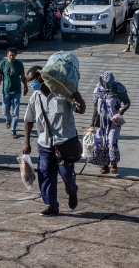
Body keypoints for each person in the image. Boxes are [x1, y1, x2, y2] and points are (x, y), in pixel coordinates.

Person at [22, 66, 86, 216]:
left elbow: (80, 109)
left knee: (66, 175)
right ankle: (52, 205)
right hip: (45, 144)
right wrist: (26, 141)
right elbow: (28, 120)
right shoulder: (35, 97)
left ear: (41, 77)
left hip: (65, 144)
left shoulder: (62, 93)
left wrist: (80, 99)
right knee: (45, 174)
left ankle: (72, 192)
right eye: (29, 81)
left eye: (32, 80)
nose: (31, 83)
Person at [92, 72, 130, 174]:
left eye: (108, 83)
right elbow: (95, 107)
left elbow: (127, 102)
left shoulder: (118, 88)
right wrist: (92, 122)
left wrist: (123, 109)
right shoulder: (98, 89)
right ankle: (104, 164)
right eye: (105, 83)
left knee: (112, 141)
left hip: (114, 121)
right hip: (102, 121)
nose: (106, 85)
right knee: (101, 142)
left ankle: (113, 163)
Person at [0, 46, 29, 138]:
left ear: (16, 55)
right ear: (7, 55)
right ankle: (8, 119)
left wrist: (26, 87)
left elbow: (23, 77)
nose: (12, 57)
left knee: (16, 112)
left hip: (16, 91)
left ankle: (13, 131)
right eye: (10, 55)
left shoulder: (19, 64)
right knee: (5, 111)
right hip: (6, 91)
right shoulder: (3, 63)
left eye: (13, 56)